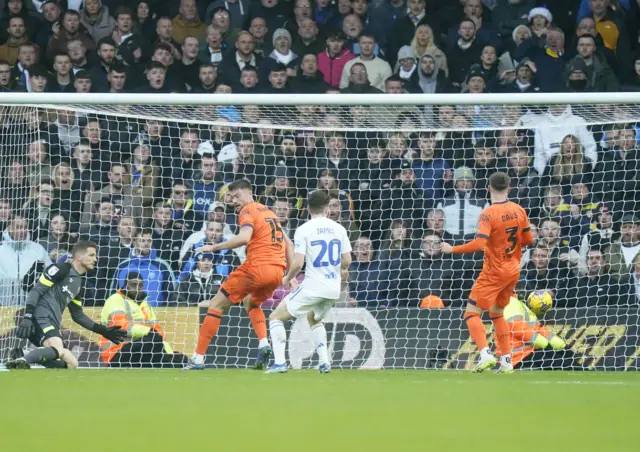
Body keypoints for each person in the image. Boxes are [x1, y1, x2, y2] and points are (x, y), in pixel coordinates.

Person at [184, 179, 292, 370]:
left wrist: (214, 247)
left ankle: (198, 358)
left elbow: (244, 238)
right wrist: (290, 276)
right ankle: (263, 344)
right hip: (276, 271)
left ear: (249, 194)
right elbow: (289, 245)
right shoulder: (269, 213)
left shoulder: (247, 210)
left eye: (237, 196)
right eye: (231, 197)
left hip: (256, 267)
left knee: (216, 304)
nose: (234, 200)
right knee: (251, 302)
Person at [440, 172, 534, 373]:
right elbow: (528, 241)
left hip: (494, 271)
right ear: (509, 188)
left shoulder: (488, 213)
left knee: (471, 313)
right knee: (497, 314)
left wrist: (452, 249)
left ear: (489, 187)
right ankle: (507, 360)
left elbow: (479, 243)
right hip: (513, 270)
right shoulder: (519, 210)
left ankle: (485, 354)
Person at [266, 190, 352, 374]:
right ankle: (324, 362)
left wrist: (288, 278)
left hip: (313, 286)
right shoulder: (340, 229)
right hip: (333, 289)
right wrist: (333, 269)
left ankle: (280, 363)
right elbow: (347, 261)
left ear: (307, 208)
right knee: (314, 318)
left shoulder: (304, 229)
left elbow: (298, 263)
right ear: (328, 209)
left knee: (275, 317)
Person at [4, 241, 127, 370]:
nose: (95, 260)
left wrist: (103, 330)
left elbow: (77, 315)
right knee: (57, 349)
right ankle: (22, 361)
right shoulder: (62, 269)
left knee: (72, 363)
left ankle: (23, 355)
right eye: (91, 255)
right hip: (41, 316)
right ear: (79, 257)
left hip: (52, 321)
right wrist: (28, 316)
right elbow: (36, 290)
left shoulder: (78, 283)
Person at [100, 272, 188, 368]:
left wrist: (169, 353)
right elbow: (122, 327)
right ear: (125, 286)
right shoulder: (115, 300)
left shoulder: (146, 305)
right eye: (133, 284)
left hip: (141, 349)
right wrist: (149, 332)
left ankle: (167, 361)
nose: (138, 287)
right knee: (151, 341)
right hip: (115, 352)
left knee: (180, 358)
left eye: (141, 285)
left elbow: (158, 332)